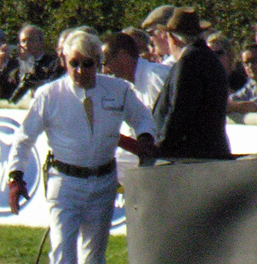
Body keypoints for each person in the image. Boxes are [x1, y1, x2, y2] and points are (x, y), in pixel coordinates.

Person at [6, 30, 156, 264]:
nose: (80, 71)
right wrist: (15, 177)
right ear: (65, 61)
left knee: (94, 257)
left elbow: (143, 118)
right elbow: (24, 138)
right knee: (62, 249)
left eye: (87, 64)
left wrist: (145, 138)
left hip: (102, 181)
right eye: (74, 63)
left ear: (99, 64)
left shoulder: (118, 90)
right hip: (65, 181)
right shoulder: (49, 95)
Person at [151, 7, 232, 160]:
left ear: (173, 39)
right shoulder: (210, 59)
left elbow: (179, 112)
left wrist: (161, 148)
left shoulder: (188, 62)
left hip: (191, 158)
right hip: (212, 153)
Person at [101, 32, 169, 181]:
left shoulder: (155, 76)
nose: (105, 70)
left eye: (105, 62)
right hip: (147, 157)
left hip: (168, 160)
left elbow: (169, 123)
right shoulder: (126, 87)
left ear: (123, 55)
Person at [9, 24, 62, 103]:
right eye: (23, 41)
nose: (26, 44)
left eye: (31, 40)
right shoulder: (15, 65)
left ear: (41, 42)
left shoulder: (53, 62)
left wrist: (29, 62)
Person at [228, 43, 257, 114]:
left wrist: (233, 106)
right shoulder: (251, 85)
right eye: (246, 63)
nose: (250, 66)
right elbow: (234, 98)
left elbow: (253, 106)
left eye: (253, 61)